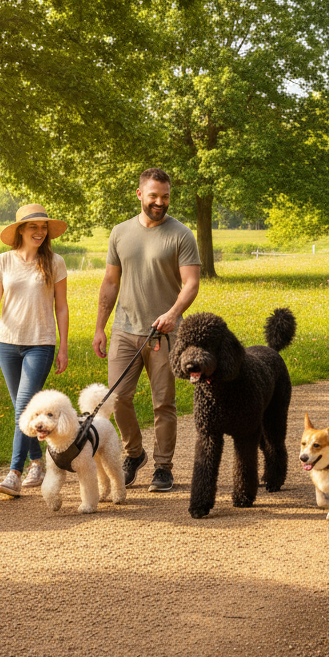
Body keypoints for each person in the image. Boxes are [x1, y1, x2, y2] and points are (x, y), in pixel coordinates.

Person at [93, 168, 201, 493]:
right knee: (117, 398)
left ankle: (163, 468)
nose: (160, 202)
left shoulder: (181, 234)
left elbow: (192, 283)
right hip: (125, 331)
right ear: (140, 194)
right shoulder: (120, 232)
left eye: (165, 196)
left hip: (164, 335)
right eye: (153, 196)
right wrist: (100, 326)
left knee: (163, 403)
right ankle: (134, 453)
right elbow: (111, 282)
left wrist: (173, 313)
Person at [0, 204, 69, 497]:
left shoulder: (55, 262)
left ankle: (13, 474)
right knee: (23, 409)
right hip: (7, 344)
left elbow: (61, 306)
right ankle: (37, 462)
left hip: (40, 344)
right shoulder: (4, 261)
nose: (39, 232)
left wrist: (64, 346)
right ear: (20, 230)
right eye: (33, 227)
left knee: (23, 407)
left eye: (43, 227)